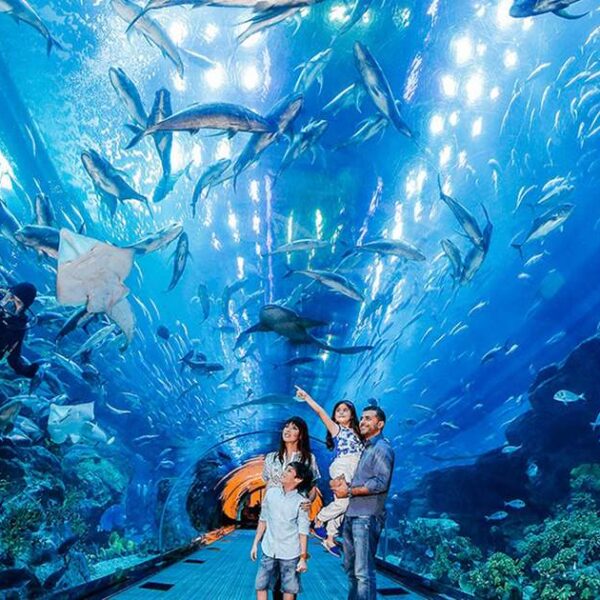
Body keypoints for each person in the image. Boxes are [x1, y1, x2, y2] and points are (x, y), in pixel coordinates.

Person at [331, 406, 395, 600]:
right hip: (353, 514)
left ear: (380, 424)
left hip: (366, 516)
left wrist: (349, 491)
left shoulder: (382, 448)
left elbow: (380, 483)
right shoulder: (365, 448)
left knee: (363, 573)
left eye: (368, 418)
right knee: (351, 571)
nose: (362, 422)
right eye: (361, 418)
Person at [294, 386, 363, 557]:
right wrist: (307, 397)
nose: (341, 412)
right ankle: (319, 519)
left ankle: (330, 537)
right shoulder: (337, 429)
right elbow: (320, 412)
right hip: (343, 466)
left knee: (345, 504)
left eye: (345, 410)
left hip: (355, 468)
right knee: (343, 503)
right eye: (338, 410)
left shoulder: (358, 432)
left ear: (352, 414)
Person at [262, 416, 320, 600]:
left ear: (301, 434)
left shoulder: (308, 459)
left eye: (294, 428)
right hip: (274, 520)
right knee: (273, 572)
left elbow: (312, 488)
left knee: (290, 572)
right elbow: (268, 485)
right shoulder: (271, 458)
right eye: (286, 426)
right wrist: (264, 512)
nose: (287, 430)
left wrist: (308, 501)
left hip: (293, 518)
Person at [251, 462, 312, 600]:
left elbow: (303, 531)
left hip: (290, 552)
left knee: (289, 588)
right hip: (268, 548)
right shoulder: (271, 494)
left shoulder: (301, 502)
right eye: (286, 469)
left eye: (289, 471)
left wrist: (303, 558)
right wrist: (255, 543)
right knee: (260, 585)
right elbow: (263, 519)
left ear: (298, 479)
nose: (284, 472)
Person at [0, 283, 40, 378]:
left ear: (22, 309)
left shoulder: (17, 328)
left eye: (18, 303)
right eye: (10, 297)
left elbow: (14, 357)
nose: (10, 303)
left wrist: (25, 370)